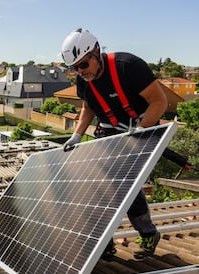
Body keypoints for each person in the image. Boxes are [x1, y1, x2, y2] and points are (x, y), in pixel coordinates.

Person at [61, 28, 168, 260]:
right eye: (75, 68)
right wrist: (77, 135)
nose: (81, 71)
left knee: (124, 186)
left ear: (96, 52)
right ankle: (105, 243)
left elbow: (159, 101)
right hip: (108, 132)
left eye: (83, 65)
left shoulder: (127, 66)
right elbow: (88, 108)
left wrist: (140, 130)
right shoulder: (84, 80)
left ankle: (148, 233)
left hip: (142, 130)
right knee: (96, 187)